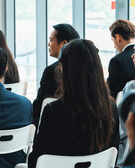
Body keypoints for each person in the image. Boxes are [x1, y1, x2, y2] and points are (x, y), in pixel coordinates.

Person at [28, 39, 119, 168]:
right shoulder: (111, 108)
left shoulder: (53, 111)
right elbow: (113, 155)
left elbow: (36, 160)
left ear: (66, 70)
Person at [32, 23, 79, 128]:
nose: (48, 44)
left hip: (54, 127)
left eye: (51, 40)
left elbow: (38, 107)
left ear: (64, 43)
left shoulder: (52, 71)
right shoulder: (86, 69)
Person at [107, 19, 135, 99]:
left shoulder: (117, 61)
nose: (114, 46)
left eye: (113, 40)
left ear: (117, 37)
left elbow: (112, 95)